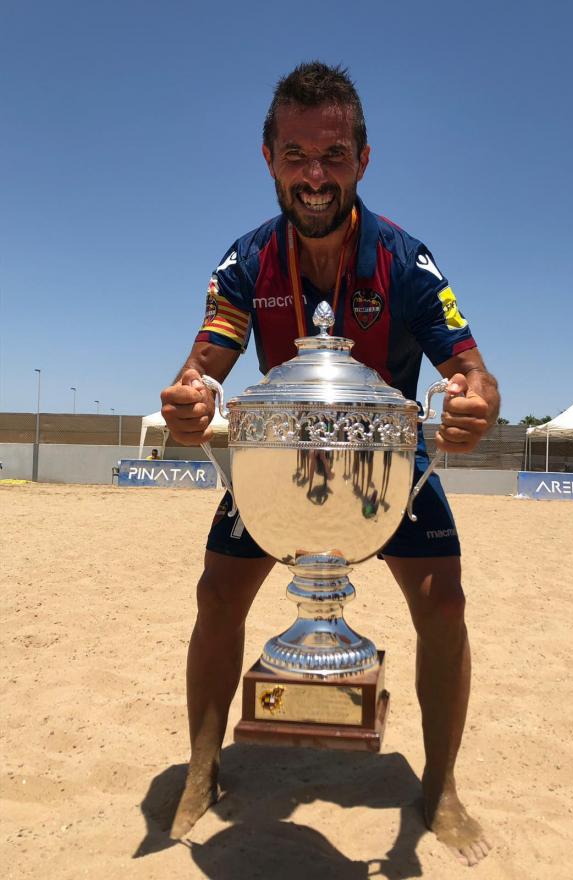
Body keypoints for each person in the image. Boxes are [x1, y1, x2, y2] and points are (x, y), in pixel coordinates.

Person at [160, 62, 500, 867]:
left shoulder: (406, 261)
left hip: (388, 463)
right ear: (269, 157)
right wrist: (189, 401)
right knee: (215, 594)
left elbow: (473, 369)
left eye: (334, 155)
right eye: (298, 155)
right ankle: (203, 771)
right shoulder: (245, 261)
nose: (316, 176)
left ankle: (440, 787)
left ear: (364, 160)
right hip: (283, 462)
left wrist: (474, 404)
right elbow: (204, 363)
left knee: (445, 604)